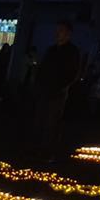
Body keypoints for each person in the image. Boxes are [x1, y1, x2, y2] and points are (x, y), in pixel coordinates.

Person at [34, 20, 81, 157]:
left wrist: (63, 87)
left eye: (60, 31)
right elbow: (42, 68)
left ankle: (49, 151)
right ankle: (38, 148)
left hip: (58, 92)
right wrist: (39, 83)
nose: (57, 33)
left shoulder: (72, 51)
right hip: (45, 90)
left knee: (52, 121)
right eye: (57, 30)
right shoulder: (52, 50)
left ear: (68, 34)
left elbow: (73, 72)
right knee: (40, 119)